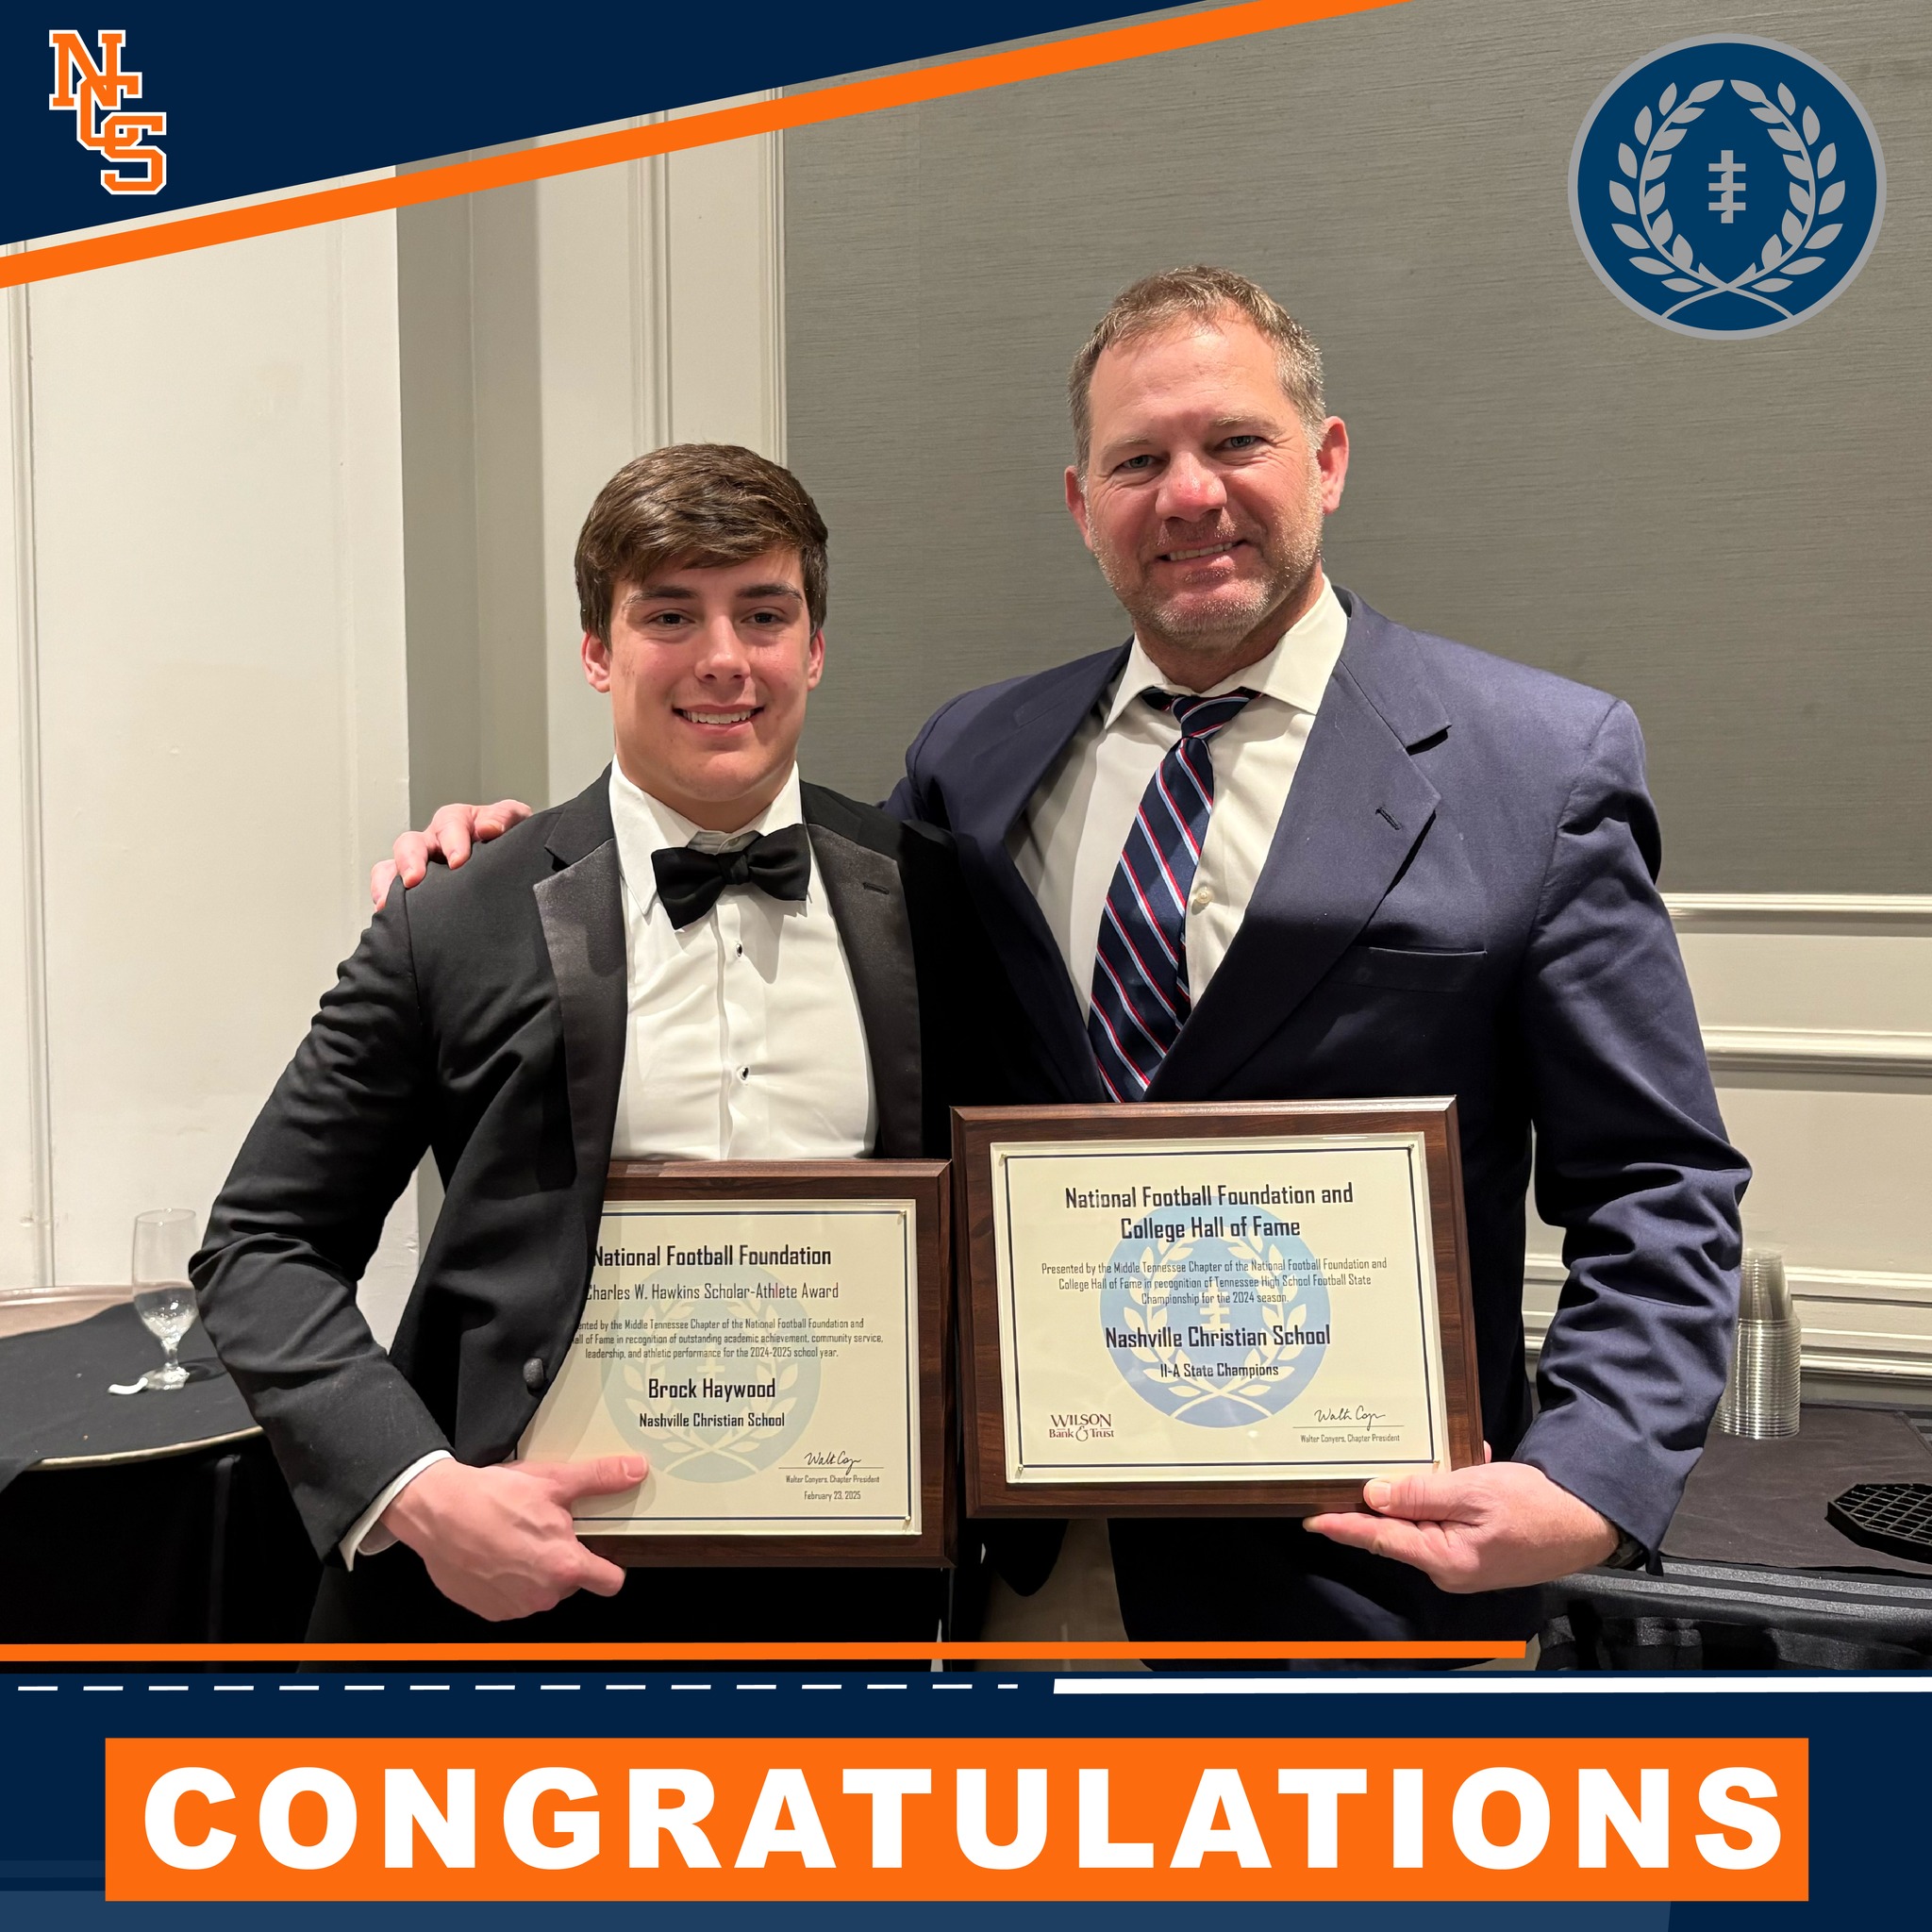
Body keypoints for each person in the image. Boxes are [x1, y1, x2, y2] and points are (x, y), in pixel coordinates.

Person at [385, 268, 1747, 1647]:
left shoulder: (1537, 763)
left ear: (1328, 460)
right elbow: (801, 947)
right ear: (1081, 503)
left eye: (1236, 441)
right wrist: (530, 857)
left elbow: (1656, 1174)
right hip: (1034, 1571)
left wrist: (1591, 1474)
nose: (1190, 494)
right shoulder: (975, 760)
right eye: (1137, 461)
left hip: (1369, 1569)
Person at [195, 443, 1020, 1640]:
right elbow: (262, 1242)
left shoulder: (935, 896)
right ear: (597, 650)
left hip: (851, 1597)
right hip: (511, 1592)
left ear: (814, 646)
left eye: (763, 613)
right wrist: (421, 1496)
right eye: (669, 614)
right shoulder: (457, 913)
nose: (723, 657)